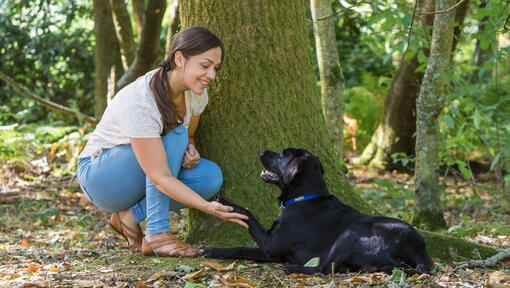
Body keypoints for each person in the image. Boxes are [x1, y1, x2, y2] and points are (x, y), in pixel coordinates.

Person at [76, 27, 248, 257]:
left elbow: (189, 136)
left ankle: (129, 217)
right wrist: (207, 207)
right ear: (179, 59)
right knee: (174, 134)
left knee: (209, 177)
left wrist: (191, 149)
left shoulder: (196, 94)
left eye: (215, 68)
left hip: (144, 170)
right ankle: (157, 235)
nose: (212, 75)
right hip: (101, 177)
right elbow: (160, 176)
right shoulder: (141, 100)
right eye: (205, 66)